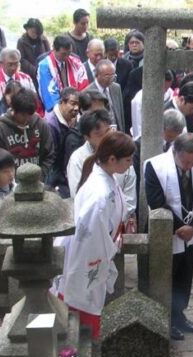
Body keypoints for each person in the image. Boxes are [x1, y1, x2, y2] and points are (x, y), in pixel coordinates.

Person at [53, 131, 135, 340]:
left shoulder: (105, 178)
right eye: (128, 159)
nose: (130, 163)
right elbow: (92, 238)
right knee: (82, 305)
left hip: (95, 245)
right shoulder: (99, 194)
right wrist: (111, 247)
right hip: (87, 255)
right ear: (112, 159)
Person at [145, 133, 193, 341]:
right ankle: (165, 317)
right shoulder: (155, 166)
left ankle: (179, 314)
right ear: (175, 153)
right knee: (167, 274)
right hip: (168, 231)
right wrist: (180, 227)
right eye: (185, 161)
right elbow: (156, 201)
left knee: (185, 273)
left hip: (192, 231)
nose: (190, 165)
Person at [66, 110, 136, 227]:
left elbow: (129, 198)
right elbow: (78, 198)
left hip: (118, 224)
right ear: (87, 137)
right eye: (99, 134)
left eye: (108, 131)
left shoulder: (122, 153)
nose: (106, 137)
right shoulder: (78, 160)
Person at [0, 89, 55, 181]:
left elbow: (49, 154)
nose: (27, 118)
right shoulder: (0, 128)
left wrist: (41, 175)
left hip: (38, 181)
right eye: (23, 115)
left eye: (30, 114)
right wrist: (10, 180)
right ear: (14, 110)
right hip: (11, 183)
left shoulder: (40, 124)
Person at [37, 35, 89, 113]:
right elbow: (49, 93)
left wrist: (77, 105)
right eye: (63, 54)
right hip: (56, 111)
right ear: (54, 49)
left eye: (69, 53)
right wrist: (64, 111)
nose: (67, 57)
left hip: (77, 107)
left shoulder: (76, 62)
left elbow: (84, 86)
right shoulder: (45, 66)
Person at [45, 87, 80, 196]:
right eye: (72, 104)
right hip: (56, 178)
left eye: (78, 105)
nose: (76, 108)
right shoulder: (51, 125)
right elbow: (51, 159)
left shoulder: (76, 121)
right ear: (61, 102)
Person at [83, 59, 126, 132]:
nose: (111, 79)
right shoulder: (87, 92)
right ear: (97, 75)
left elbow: (120, 114)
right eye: (107, 76)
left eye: (113, 76)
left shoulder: (116, 88)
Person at [17, 18, 50, 86]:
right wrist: (34, 70)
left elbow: (48, 54)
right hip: (28, 74)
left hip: (43, 73)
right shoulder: (21, 41)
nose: (34, 34)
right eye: (32, 32)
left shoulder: (43, 40)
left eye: (36, 32)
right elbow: (22, 59)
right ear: (27, 29)